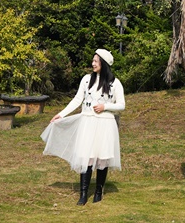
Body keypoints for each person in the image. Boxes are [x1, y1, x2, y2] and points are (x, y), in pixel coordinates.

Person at [40, 48, 125, 205]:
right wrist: (62, 114)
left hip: (105, 124)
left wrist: (105, 107)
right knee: (87, 156)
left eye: (96, 61)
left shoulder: (114, 83)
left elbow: (121, 105)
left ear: (104, 63)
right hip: (88, 122)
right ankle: (83, 194)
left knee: (102, 158)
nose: (93, 63)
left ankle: (98, 192)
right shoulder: (86, 80)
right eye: (93, 61)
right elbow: (77, 99)